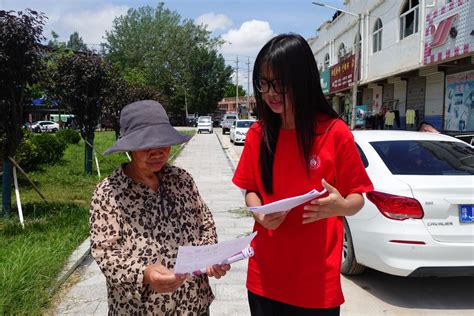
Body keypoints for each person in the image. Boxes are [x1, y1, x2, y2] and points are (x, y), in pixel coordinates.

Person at [232, 34, 374, 316]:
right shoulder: (258, 135)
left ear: (302, 81)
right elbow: (250, 189)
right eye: (263, 83)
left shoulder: (335, 133)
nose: (270, 93)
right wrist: (257, 212)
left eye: (279, 84)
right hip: (265, 275)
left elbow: (358, 197)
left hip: (316, 281)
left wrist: (340, 207)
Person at [90, 100, 230, 315]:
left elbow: (206, 225)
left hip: (192, 304)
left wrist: (209, 256)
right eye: (146, 146)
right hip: (141, 307)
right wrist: (145, 273)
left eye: (163, 143)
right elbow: (105, 252)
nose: (157, 153)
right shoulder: (109, 192)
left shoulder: (182, 180)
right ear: (129, 148)